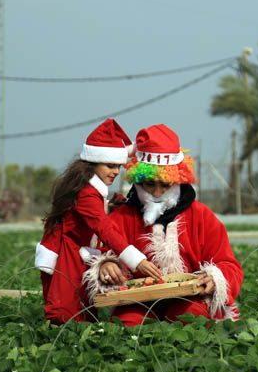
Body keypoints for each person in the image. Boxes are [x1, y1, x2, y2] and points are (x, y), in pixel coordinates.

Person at [87, 123, 243, 326]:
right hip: (137, 301)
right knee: (127, 322)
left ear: (179, 180)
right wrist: (106, 266)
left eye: (165, 184)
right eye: (149, 184)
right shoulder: (122, 217)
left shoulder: (201, 216)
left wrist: (215, 279)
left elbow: (228, 264)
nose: (157, 193)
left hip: (192, 298)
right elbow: (102, 253)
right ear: (137, 180)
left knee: (191, 318)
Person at [35, 119, 163, 324]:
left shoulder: (92, 189)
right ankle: (62, 344)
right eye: (110, 166)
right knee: (65, 311)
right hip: (67, 253)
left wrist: (112, 207)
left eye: (119, 167)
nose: (115, 172)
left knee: (81, 307)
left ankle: (77, 341)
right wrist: (137, 261)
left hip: (77, 251)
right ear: (92, 163)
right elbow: (102, 227)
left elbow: (93, 217)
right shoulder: (87, 193)